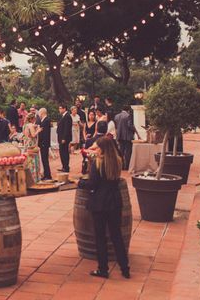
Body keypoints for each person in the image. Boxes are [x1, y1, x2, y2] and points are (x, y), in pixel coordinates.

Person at [76, 135, 130, 279]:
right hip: (115, 202)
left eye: (98, 147)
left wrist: (79, 183)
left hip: (100, 204)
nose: (96, 150)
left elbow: (92, 184)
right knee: (116, 236)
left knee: (100, 237)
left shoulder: (98, 163)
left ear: (104, 149)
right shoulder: (118, 161)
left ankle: (103, 269)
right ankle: (125, 268)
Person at [57, 105, 72, 173]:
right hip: (61, 137)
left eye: (60, 108)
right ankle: (64, 166)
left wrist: (64, 138)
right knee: (62, 152)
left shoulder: (67, 116)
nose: (59, 110)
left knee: (64, 152)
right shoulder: (63, 116)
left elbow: (67, 128)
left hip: (64, 138)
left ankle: (66, 167)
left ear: (64, 108)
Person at [38, 108, 52, 180]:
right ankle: (46, 174)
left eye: (39, 113)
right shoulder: (43, 120)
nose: (39, 115)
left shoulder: (46, 120)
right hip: (42, 143)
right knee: (44, 159)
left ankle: (48, 175)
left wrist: (43, 143)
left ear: (42, 113)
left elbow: (46, 133)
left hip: (44, 143)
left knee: (45, 159)